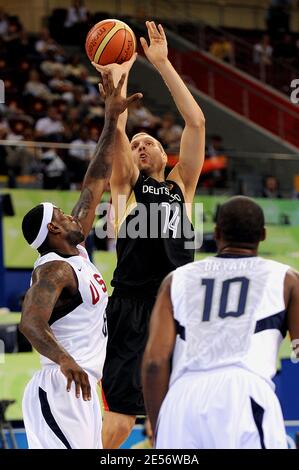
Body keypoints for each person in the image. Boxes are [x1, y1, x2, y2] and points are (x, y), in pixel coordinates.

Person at [92, 20, 205, 448]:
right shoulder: (126, 188)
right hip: (133, 307)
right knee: (120, 421)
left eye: (149, 142)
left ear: (164, 152)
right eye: (136, 144)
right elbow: (117, 137)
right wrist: (117, 104)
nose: (141, 146)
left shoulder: (181, 187)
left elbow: (195, 123)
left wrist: (161, 66)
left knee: (177, 414)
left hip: (177, 307)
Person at [19, 71, 142, 449]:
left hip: (84, 385)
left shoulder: (77, 253)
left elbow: (95, 179)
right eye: (63, 214)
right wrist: (64, 359)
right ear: (54, 229)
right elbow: (29, 323)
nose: (73, 214)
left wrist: (110, 118)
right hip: (61, 385)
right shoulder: (55, 269)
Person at [142, 196, 299, 449]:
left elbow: (153, 363)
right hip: (244, 393)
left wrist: (161, 425)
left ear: (216, 233)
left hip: (183, 398)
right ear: (263, 235)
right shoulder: (286, 279)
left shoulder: (175, 280)